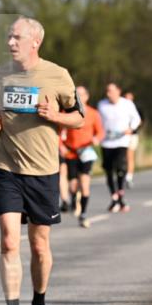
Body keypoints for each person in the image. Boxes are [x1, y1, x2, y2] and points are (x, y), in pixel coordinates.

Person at [0, 16, 84, 305]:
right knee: (9, 240)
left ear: (34, 42)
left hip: (43, 172)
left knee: (39, 246)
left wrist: (54, 115)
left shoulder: (57, 75)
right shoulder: (0, 74)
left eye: (17, 37)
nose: (10, 42)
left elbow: (79, 118)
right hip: (7, 169)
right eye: (9, 37)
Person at [59, 85, 102, 227]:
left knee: (84, 183)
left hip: (86, 151)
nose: (79, 97)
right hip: (71, 152)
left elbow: (100, 132)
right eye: (77, 94)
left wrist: (97, 139)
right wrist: (61, 146)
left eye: (82, 94)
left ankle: (83, 213)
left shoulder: (93, 113)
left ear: (87, 97)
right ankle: (73, 197)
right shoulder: (67, 112)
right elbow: (59, 132)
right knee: (73, 184)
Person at [97, 83, 140, 215]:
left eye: (112, 91)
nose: (110, 94)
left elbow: (136, 119)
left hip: (122, 140)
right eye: (107, 91)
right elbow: (98, 121)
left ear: (118, 91)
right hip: (107, 142)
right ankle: (114, 197)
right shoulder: (101, 105)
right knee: (109, 170)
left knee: (121, 167)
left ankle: (121, 192)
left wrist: (131, 129)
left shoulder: (127, 103)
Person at [124, 91, 143, 188]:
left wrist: (132, 128)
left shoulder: (136, 107)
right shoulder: (120, 107)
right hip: (121, 136)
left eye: (130, 97)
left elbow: (140, 121)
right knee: (122, 157)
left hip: (132, 135)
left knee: (130, 156)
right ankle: (123, 174)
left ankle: (129, 177)